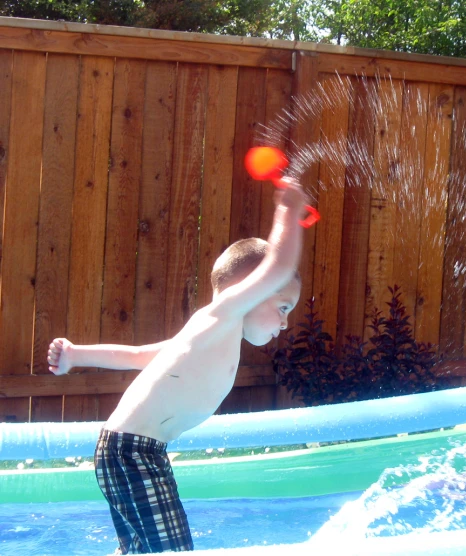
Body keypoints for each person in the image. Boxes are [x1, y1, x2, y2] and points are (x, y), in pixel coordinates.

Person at [47, 179, 306, 554]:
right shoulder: (221, 316)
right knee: (172, 550)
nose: (284, 323)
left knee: (142, 549)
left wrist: (76, 355)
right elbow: (279, 265)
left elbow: (137, 357)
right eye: (282, 307)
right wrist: (289, 211)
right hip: (133, 452)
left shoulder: (206, 339)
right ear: (249, 289)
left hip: (136, 452)